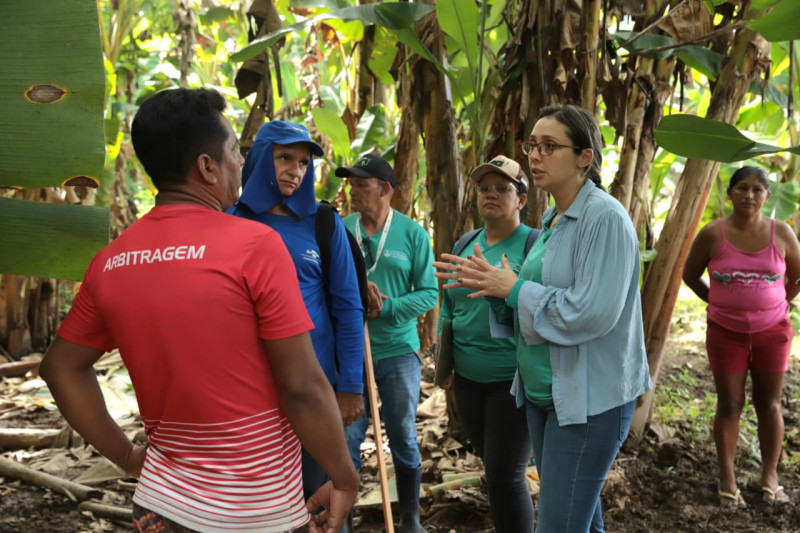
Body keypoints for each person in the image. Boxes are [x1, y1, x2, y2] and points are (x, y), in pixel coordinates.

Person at [38, 88, 359, 533]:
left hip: (159, 508)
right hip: (256, 510)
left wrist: (129, 457)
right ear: (207, 168)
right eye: (233, 151)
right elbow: (302, 385)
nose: (242, 164)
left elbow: (60, 368)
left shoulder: (110, 261)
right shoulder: (255, 247)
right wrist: (344, 477)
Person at [434, 104, 652, 533]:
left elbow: (590, 313)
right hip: (545, 396)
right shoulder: (553, 219)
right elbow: (527, 306)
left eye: (549, 146)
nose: (535, 155)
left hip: (588, 401)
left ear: (585, 157)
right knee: (582, 523)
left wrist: (512, 288)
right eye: (532, 145)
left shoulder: (604, 218)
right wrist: (492, 291)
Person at [228, 121, 365, 504]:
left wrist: (350, 386)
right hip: (249, 392)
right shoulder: (229, 220)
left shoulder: (323, 222)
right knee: (258, 501)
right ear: (258, 158)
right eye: (284, 157)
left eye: (304, 162)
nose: (296, 170)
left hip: (314, 386)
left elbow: (348, 305)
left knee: (319, 495)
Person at [683, 166, 800, 508]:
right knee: (730, 403)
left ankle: (770, 477)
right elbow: (690, 275)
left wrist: (782, 301)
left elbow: (797, 276)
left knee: (771, 404)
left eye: (758, 190)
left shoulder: (782, 234)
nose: (750, 195)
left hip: (773, 333)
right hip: (725, 334)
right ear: (731, 193)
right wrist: (720, 303)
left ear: (767, 196)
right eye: (742, 188)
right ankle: (728, 479)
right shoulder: (712, 234)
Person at [336, 154, 438, 533]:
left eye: (361, 184)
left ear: (385, 190)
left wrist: (389, 308)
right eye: (351, 184)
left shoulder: (411, 234)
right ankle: (341, 521)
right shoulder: (340, 230)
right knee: (346, 440)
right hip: (350, 353)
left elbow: (429, 293)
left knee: (403, 437)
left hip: (398, 351)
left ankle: (410, 520)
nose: (353, 191)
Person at [437, 155, 536, 533]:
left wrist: (500, 289)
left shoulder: (532, 247)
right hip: (468, 379)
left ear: (521, 200)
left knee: (506, 476)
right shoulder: (466, 243)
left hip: (512, 381)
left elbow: (540, 310)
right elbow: (449, 307)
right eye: (484, 189)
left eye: (502, 188)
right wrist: (445, 365)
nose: (491, 195)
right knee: (494, 470)